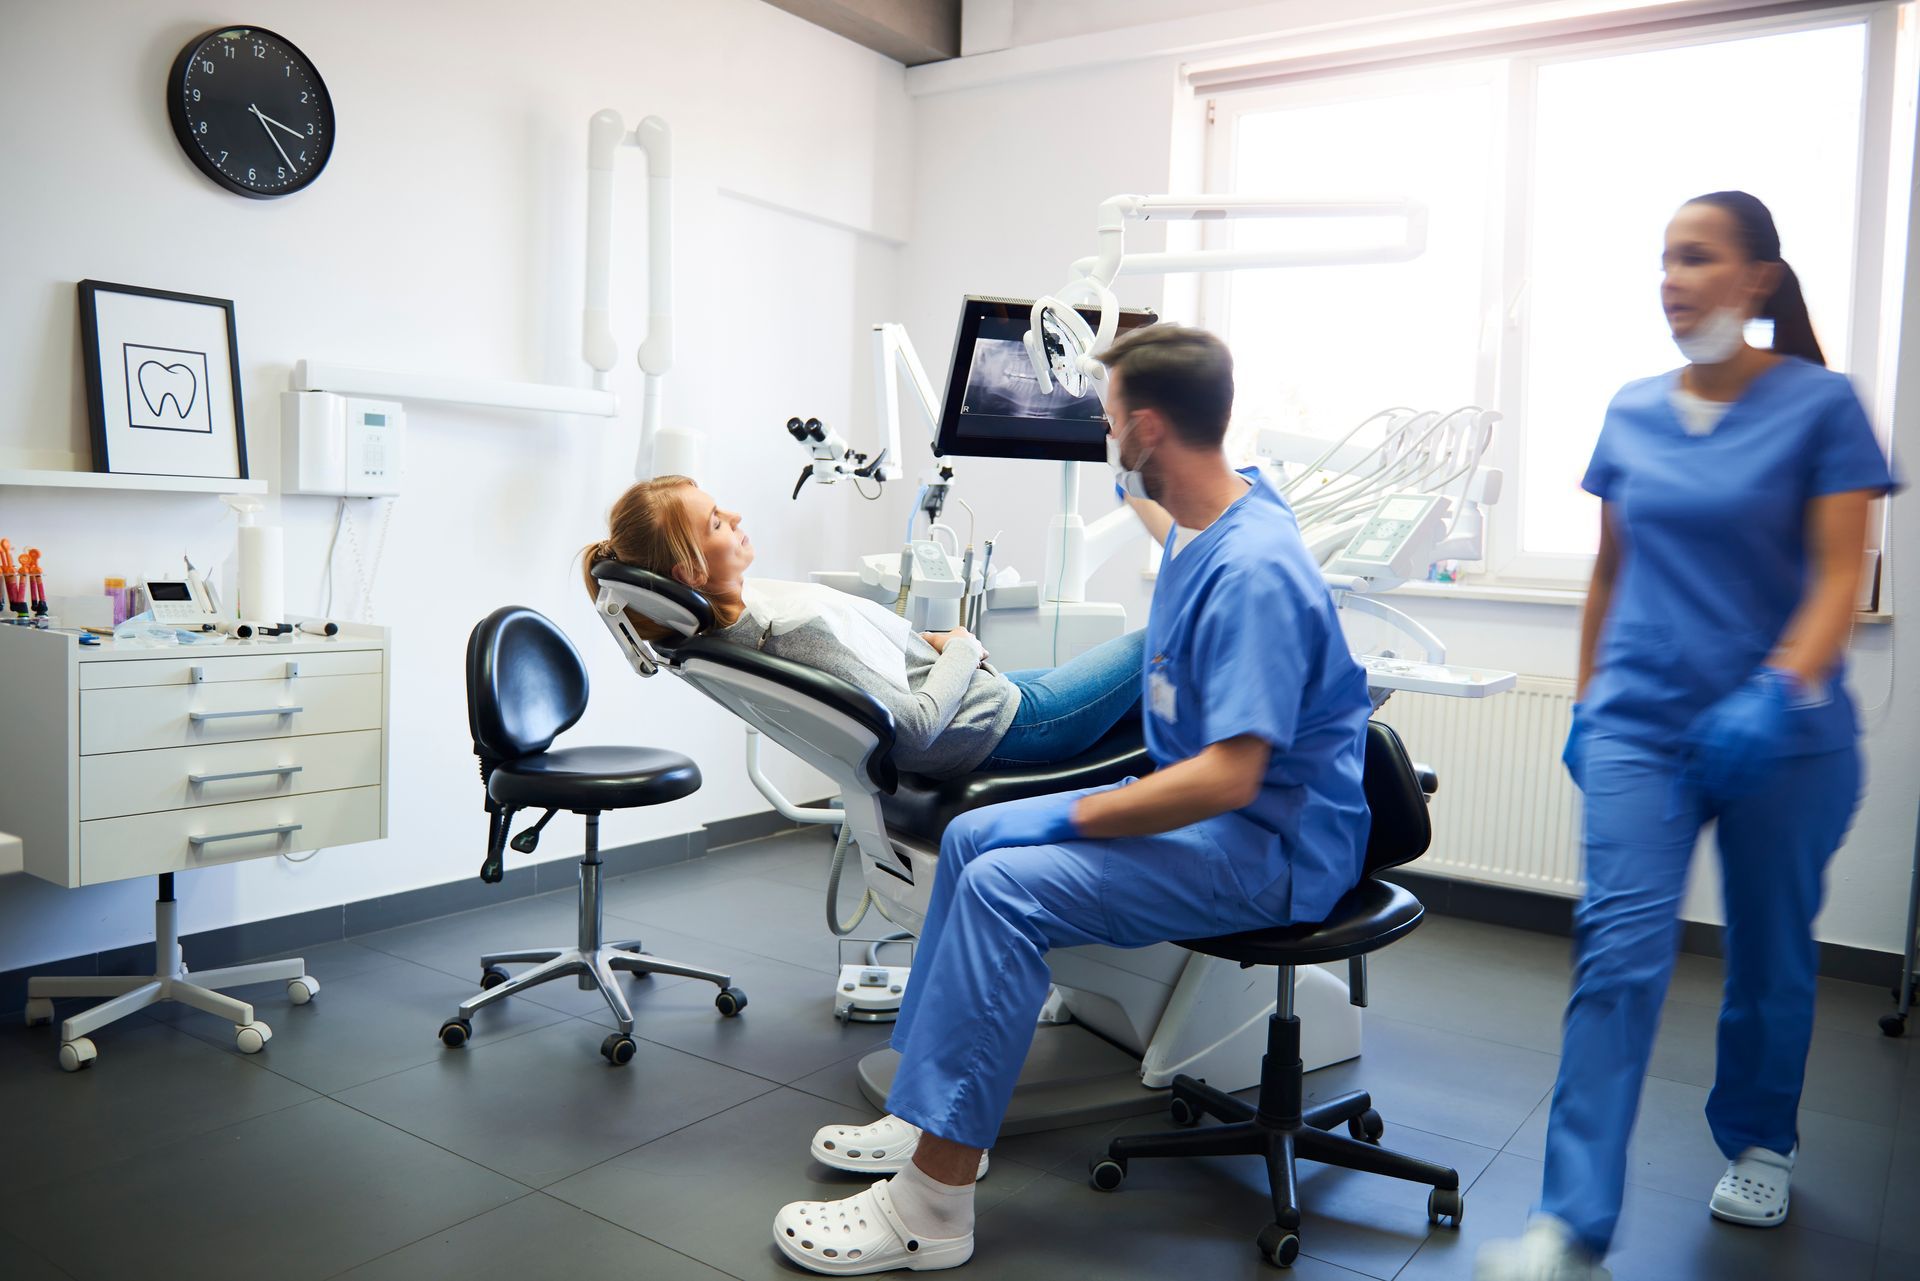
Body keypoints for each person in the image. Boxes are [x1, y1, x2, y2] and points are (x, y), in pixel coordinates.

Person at [769, 324, 1374, 1275]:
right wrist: (1119, 402)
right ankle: (925, 1111)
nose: (1102, 434)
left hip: (1270, 845)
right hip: (1214, 817)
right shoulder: (1215, 507)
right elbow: (1161, 513)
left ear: (1149, 427)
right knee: (972, 837)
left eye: (1109, 419)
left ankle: (934, 1205)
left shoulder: (1255, 570)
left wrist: (1083, 812)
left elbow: (1230, 777)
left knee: (1008, 887)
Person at [1476, 191, 1896, 1281]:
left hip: (1785, 735)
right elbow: (1609, 571)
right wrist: (1587, 704)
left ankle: (1760, 1142)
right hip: (1641, 725)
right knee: (1615, 958)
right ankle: (1570, 1224)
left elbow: (1841, 578)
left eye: (1698, 257)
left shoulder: (1822, 406)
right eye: (1665, 258)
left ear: (1758, 279)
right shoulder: (1630, 409)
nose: (1673, 279)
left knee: (1767, 953)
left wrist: (1777, 689)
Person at [581, 477, 1147, 778]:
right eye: (716, 523)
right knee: (1160, 644)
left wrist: (926, 648)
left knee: (1158, 703)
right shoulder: (783, 632)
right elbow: (916, 727)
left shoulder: (733, 631)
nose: (736, 517)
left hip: (985, 708)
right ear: (691, 573)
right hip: (1001, 727)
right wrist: (960, 645)